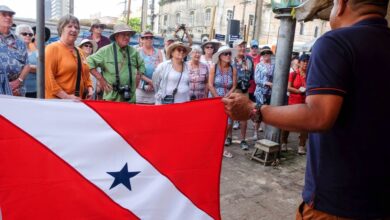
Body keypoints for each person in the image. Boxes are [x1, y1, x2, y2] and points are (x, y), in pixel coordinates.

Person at [222, 0, 390, 218]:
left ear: (341, 4)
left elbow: (318, 116)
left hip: (338, 202)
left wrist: (255, 110)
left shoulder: (335, 43)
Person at [87, 23, 146, 103]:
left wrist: (138, 76)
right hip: (111, 98)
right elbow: (88, 62)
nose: (127, 37)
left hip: (129, 98)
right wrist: (101, 79)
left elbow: (141, 65)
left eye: (128, 35)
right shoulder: (106, 51)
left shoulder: (133, 52)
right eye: (124, 34)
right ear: (116, 36)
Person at [45, 14, 93, 100]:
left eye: (76, 27)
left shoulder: (80, 51)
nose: (74, 29)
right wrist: (66, 97)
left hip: (77, 101)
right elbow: (48, 79)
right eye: (69, 26)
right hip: (58, 102)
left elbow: (86, 75)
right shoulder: (52, 48)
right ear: (61, 28)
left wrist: (89, 88)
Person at [208, 45, 237, 158]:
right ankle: (211, 147)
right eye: (226, 54)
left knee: (228, 125)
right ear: (220, 56)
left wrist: (226, 98)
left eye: (229, 53)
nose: (228, 56)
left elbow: (234, 85)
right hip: (215, 100)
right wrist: (218, 98)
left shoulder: (232, 68)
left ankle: (221, 148)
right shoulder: (213, 67)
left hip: (228, 99)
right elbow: (210, 85)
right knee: (214, 124)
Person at [280, 54, 309, 154]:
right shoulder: (293, 74)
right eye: (304, 61)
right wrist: (298, 91)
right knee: (288, 123)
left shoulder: (310, 75)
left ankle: (301, 145)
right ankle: (283, 142)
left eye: (307, 61)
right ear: (299, 62)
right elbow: (288, 87)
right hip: (293, 102)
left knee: (305, 126)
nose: (305, 63)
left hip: (305, 103)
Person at [0, 5, 30, 96]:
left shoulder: (19, 41)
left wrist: (18, 82)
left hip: (16, 91)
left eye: (10, 15)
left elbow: (27, 65)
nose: (8, 17)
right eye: (4, 15)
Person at [232, 39, 254, 150]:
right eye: (240, 46)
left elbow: (251, 76)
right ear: (235, 47)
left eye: (244, 46)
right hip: (234, 90)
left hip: (245, 91)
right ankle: (228, 137)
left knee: (244, 115)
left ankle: (243, 139)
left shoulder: (249, 59)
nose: (242, 48)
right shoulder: (231, 60)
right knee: (231, 114)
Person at [136, 30, 163, 104]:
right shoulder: (137, 52)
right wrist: (150, 81)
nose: (149, 39)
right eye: (146, 38)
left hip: (154, 89)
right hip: (140, 88)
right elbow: (136, 70)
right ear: (142, 40)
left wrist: (153, 82)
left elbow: (162, 70)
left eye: (151, 38)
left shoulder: (158, 52)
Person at [253, 46, 274, 139]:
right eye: (264, 53)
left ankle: (267, 134)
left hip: (271, 93)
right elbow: (256, 80)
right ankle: (255, 133)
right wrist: (266, 83)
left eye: (268, 53)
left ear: (270, 54)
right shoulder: (259, 65)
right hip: (260, 93)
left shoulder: (274, 65)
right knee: (258, 113)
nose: (266, 55)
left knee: (269, 113)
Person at [15, 24, 35, 97]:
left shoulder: (36, 52)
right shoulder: (14, 51)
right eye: (24, 34)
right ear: (17, 35)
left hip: (35, 90)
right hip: (17, 89)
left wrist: (26, 67)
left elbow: (43, 68)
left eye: (30, 34)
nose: (28, 36)